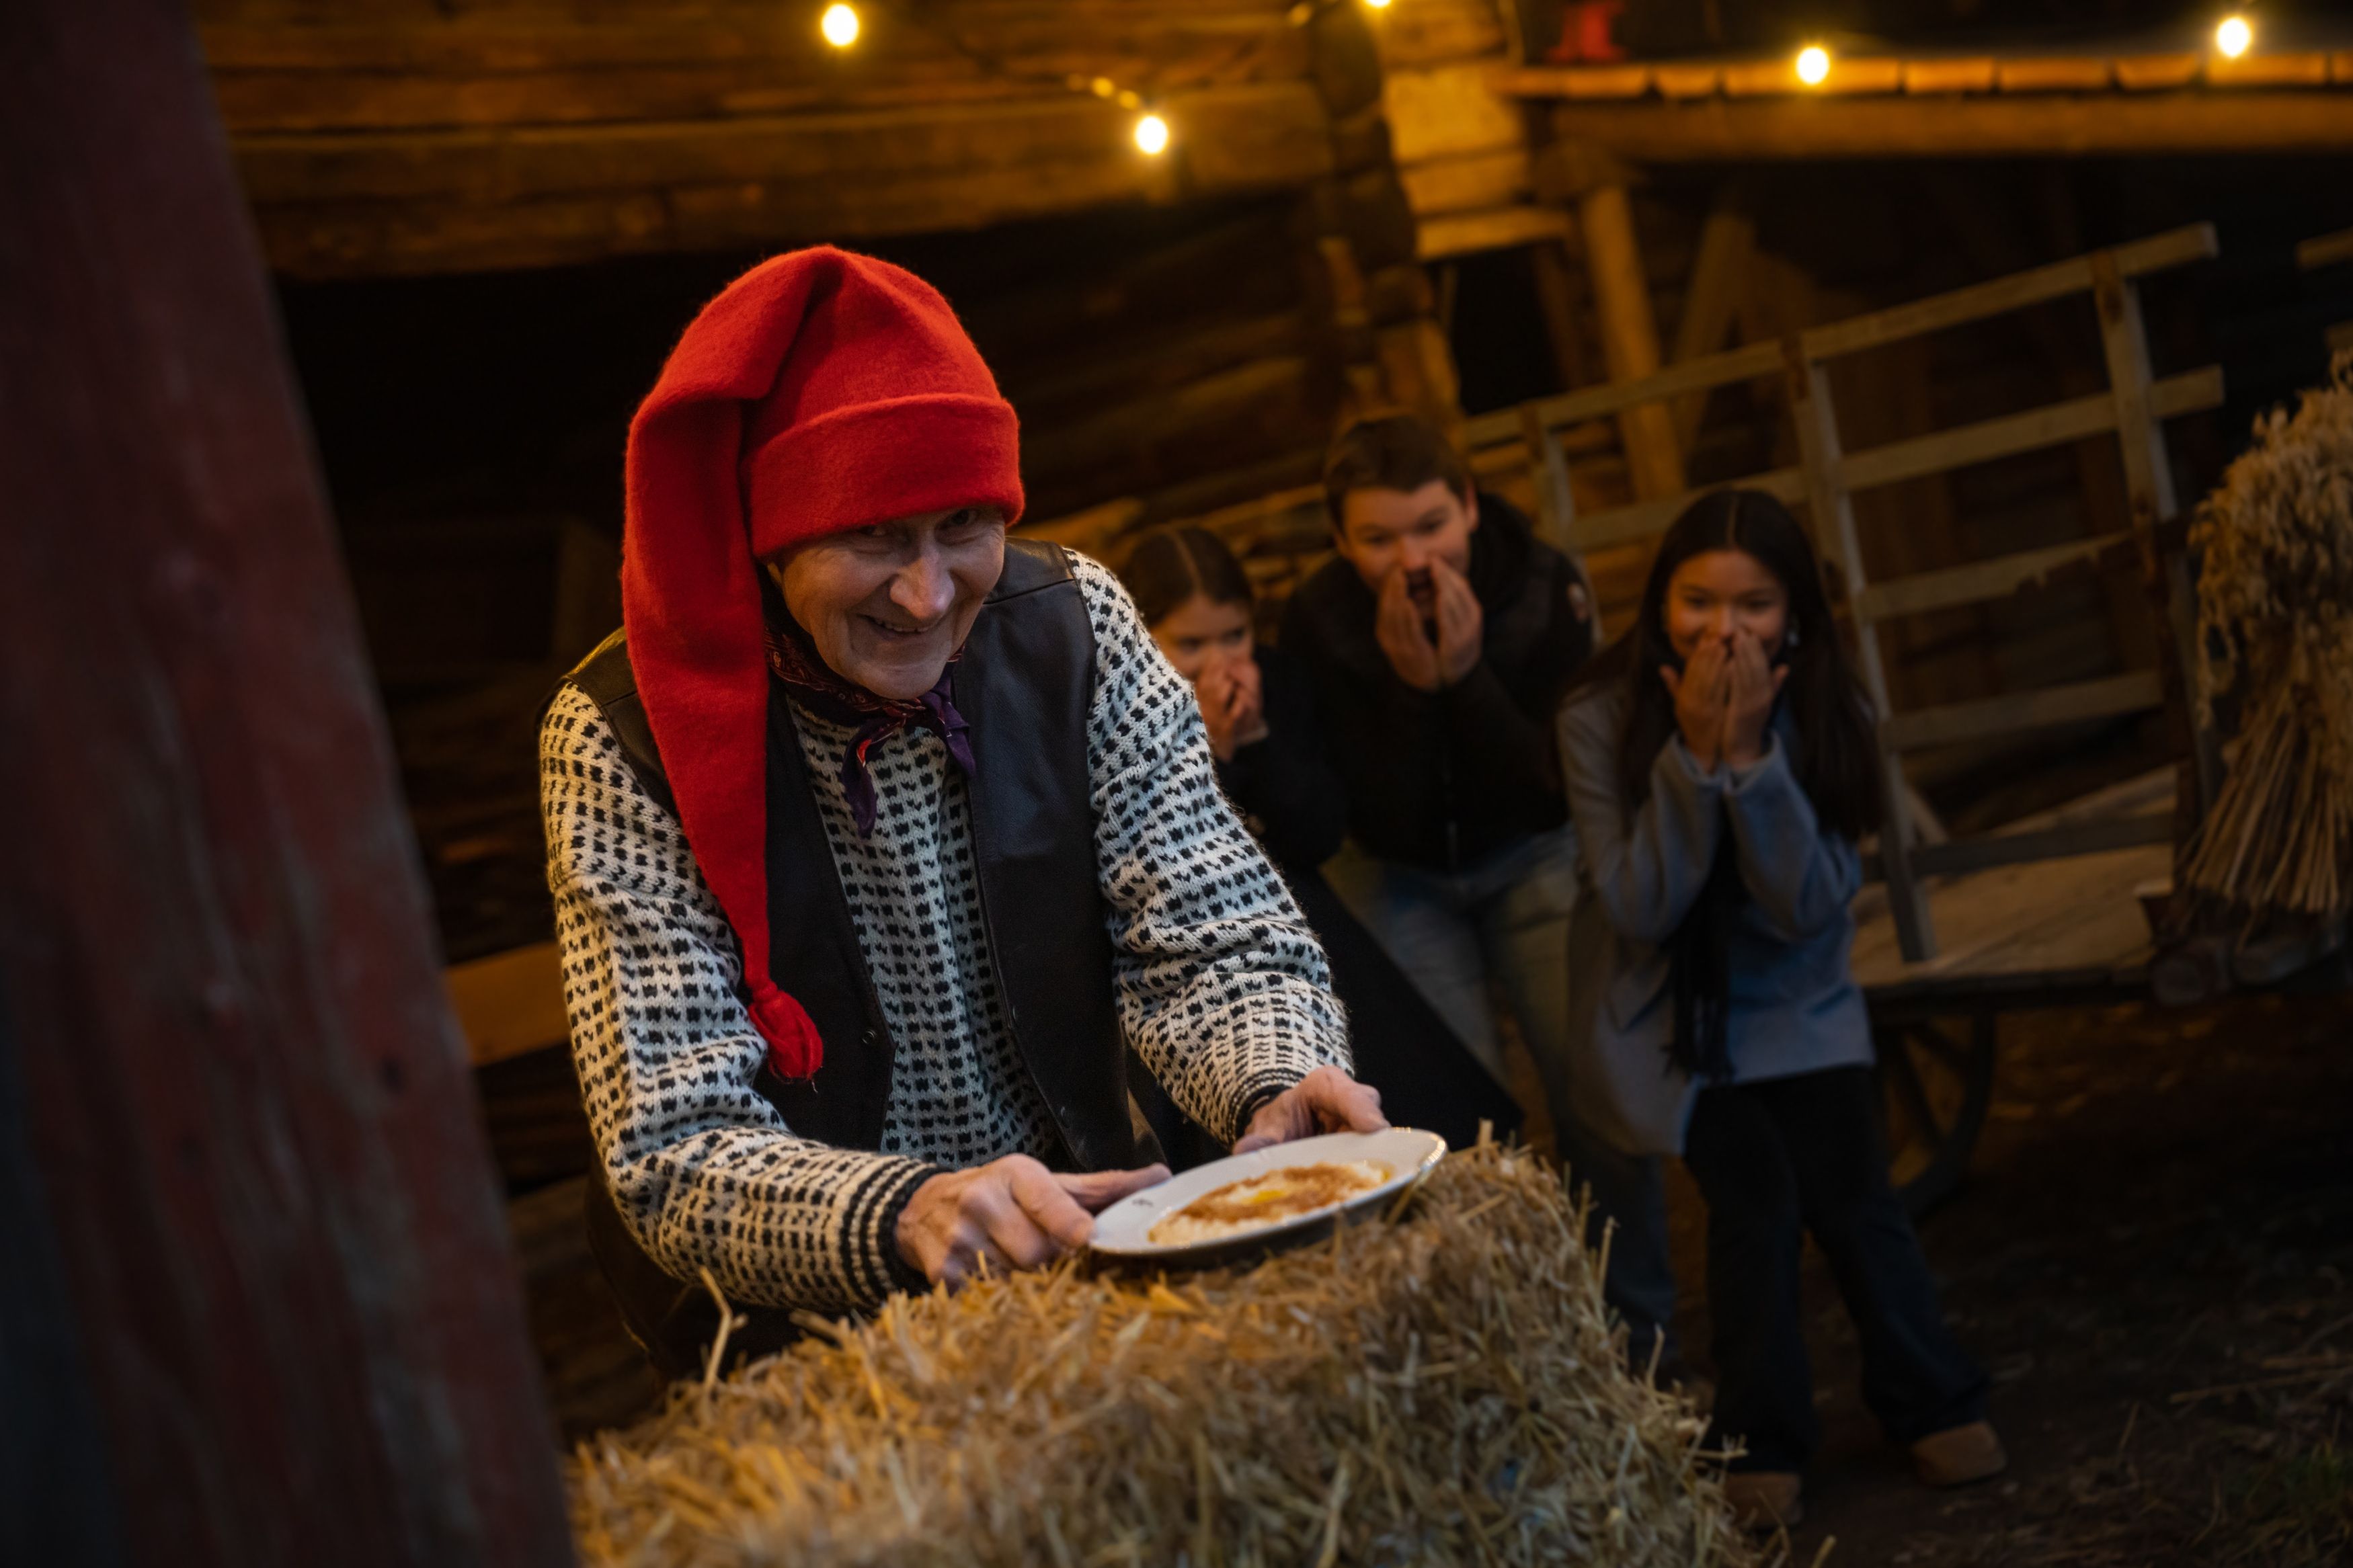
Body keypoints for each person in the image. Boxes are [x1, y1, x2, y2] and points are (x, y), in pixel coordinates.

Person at [539, 247, 1385, 1374]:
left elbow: (1215, 935)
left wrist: (1276, 1078)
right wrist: (906, 1211)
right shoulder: (620, 734)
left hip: (1085, 1241)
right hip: (811, 1332)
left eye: (962, 525)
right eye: (874, 536)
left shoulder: (1076, 631)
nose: (928, 594)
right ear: (767, 535)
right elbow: (676, 1141)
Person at [1555, 489, 2003, 1530]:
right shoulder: (1594, 715)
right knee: (1753, 1202)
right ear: (1661, 602)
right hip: (1672, 1017)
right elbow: (1638, 904)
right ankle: (1760, 1437)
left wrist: (1752, 762)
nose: (1724, 628)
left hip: (1799, 999)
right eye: (1698, 600)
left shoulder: (1830, 705)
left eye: (1754, 604)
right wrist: (1695, 761)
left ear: (1794, 614)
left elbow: (1808, 911)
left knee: (1854, 1190)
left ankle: (1931, 1398)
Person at [1281, 412, 1678, 1366]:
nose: (1412, 556)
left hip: (1532, 854)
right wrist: (1414, 697)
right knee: (1444, 1125)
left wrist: (1464, 683)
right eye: (1379, 538)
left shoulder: (1543, 586)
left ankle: (1641, 1339)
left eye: (1430, 526)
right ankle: (1507, 1350)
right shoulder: (1320, 623)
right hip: (1401, 876)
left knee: (1595, 1098)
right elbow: (1364, 807)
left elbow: (1553, 779)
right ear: (1341, 541)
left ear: (1467, 506)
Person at [1117, 527, 1521, 1157]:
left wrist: (1255, 745)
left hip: (1303, 914)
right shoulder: (1125, 714)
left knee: (1402, 1075)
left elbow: (1316, 833)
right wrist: (1213, 754)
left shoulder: (1275, 682)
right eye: (1190, 643)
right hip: (1192, 942)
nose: (1218, 660)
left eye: (1234, 636)